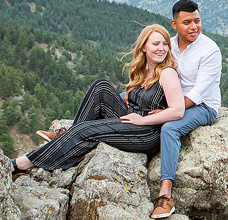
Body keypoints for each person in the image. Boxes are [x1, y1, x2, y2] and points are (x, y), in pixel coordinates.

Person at [10, 24, 187, 201]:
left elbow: (178, 111)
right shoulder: (143, 71)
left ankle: (22, 164)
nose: (161, 48)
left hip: (147, 132)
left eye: (165, 44)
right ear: (143, 47)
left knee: (85, 131)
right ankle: (70, 137)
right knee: (100, 86)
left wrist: (142, 120)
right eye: (156, 44)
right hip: (130, 121)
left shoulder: (167, 73)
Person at [149, 0, 222, 220]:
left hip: (203, 106)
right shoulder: (168, 45)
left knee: (170, 128)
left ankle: (166, 196)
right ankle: (77, 130)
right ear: (174, 24)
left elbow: (198, 93)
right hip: (171, 99)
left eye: (197, 21)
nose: (194, 27)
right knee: (126, 98)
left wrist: (166, 111)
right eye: (187, 22)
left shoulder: (210, 50)